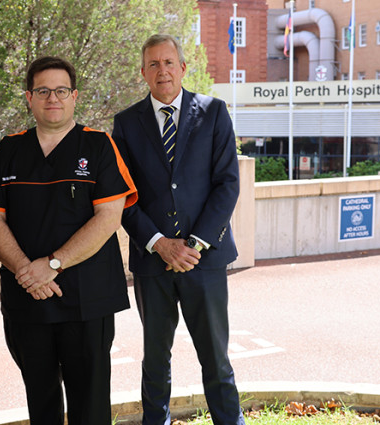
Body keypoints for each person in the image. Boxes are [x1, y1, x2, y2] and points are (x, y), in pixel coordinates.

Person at [0, 56, 137, 425]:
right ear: (29, 98)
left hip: (88, 298)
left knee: (91, 404)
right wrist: (26, 271)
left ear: (75, 96)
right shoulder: (9, 150)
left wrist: (51, 265)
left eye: (61, 90)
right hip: (27, 296)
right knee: (40, 399)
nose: (53, 98)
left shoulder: (99, 146)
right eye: (43, 90)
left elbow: (109, 218)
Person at [112, 34, 245, 425]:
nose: (162, 70)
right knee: (155, 359)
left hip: (204, 261)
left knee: (216, 357)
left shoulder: (214, 112)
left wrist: (194, 244)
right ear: (143, 73)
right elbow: (124, 195)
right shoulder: (126, 123)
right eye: (153, 64)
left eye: (169, 62)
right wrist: (159, 244)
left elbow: (227, 183)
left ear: (183, 68)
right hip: (153, 264)